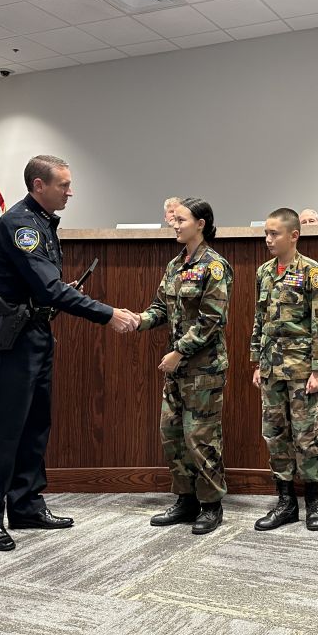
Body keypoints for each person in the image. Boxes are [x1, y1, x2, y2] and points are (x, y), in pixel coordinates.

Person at [0, 155, 137, 552]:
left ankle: (26, 505)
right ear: (38, 185)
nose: (70, 191)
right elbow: (49, 288)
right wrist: (107, 314)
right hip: (13, 338)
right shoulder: (19, 226)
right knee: (7, 429)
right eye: (63, 184)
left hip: (36, 333)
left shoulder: (43, 222)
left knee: (35, 424)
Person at [133, 198, 234, 534]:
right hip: (176, 371)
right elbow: (160, 308)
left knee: (201, 437)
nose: (175, 225)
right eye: (173, 220)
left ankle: (210, 505)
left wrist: (178, 351)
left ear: (201, 223)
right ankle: (186, 500)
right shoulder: (175, 265)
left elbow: (211, 320)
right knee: (172, 434)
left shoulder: (214, 266)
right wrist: (138, 321)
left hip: (203, 369)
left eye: (181, 220)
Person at [250, 208, 318, 532]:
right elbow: (260, 318)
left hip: (302, 369)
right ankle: (286, 502)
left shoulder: (312, 272)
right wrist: (257, 361)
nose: (268, 239)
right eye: (266, 234)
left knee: (305, 435)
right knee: (274, 434)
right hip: (271, 368)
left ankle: (314, 500)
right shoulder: (264, 273)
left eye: (274, 234)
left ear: (294, 235)